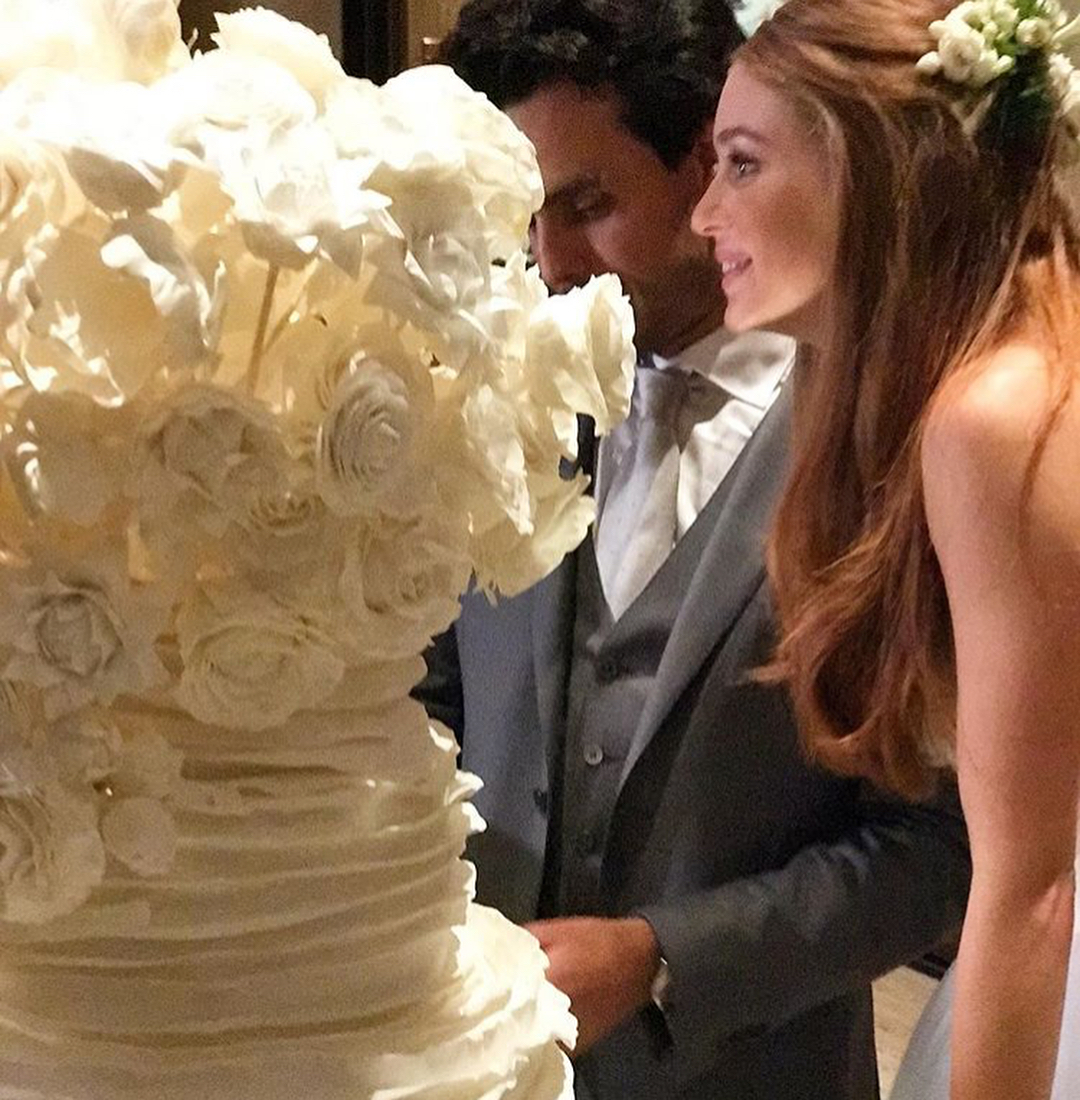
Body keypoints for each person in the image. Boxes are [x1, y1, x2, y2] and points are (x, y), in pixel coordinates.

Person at [419, 1, 972, 1097]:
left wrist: (665, 959)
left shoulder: (898, 440)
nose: (550, 262)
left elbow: (937, 846)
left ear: (706, 162)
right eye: (524, 215)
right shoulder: (484, 393)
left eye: (588, 206)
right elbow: (429, 694)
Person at [691, 1, 1080, 1098]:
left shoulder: (995, 417)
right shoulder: (1010, 360)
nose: (706, 214)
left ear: (872, 168)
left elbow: (1032, 888)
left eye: (743, 163)